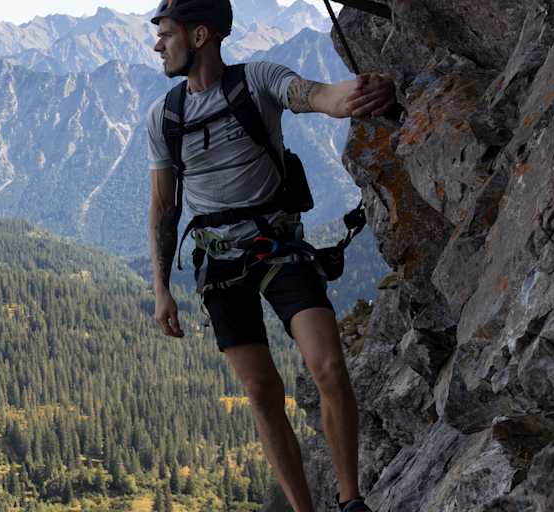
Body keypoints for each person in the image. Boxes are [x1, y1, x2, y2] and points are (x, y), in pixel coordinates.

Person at [145, 1, 395, 511]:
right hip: (218, 262)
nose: (157, 45)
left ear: (199, 36)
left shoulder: (258, 80)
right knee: (261, 392)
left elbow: (317, 96)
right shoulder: (165, 116)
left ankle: (351, 502)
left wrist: (364, 92)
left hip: (279, 247)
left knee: (328, 366)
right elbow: (162, 207)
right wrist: (161, 287)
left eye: (165, 34)